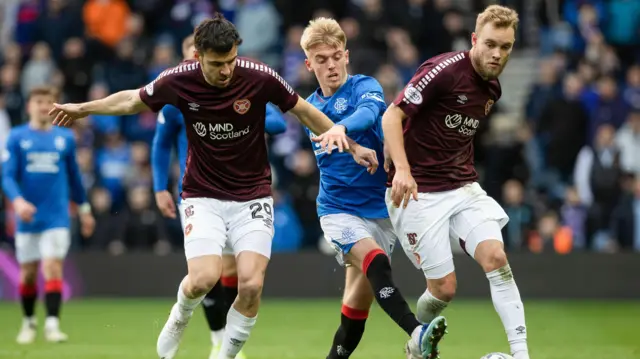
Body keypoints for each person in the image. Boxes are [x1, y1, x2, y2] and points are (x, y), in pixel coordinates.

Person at [48, 13, 378, 359]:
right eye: (217, 63)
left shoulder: (259, 76)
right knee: (202, 279)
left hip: (252, 195)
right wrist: (84, 109)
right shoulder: (178, 80)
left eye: (231, 61)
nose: (226, 71)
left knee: (250, 285)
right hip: (202, 196)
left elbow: (304, 112)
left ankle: (225, 355)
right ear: (197, 57)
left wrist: (352, 145)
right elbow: (131, 100)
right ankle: (181, 314)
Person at [382, 5, 531, 359]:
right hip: (417, 192)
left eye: (506, 47)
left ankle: (521, 354)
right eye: (491, 44)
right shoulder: (444, 70)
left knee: (497, 257)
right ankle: (417, 341)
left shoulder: (491, 88)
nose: (498, 54)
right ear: (475, 39)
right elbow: (393, 116)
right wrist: (402, 168)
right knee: (444, 289)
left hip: (462, 187)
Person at [300, 18, 447, 359]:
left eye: (336, 56)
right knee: (376, 261)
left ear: (347, 56)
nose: (331, 65)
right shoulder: (309, 110)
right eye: (321, 59)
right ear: (309, 64)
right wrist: (341, 134)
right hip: (338, 211)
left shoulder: (367, 85)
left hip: (382, 211)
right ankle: (417, 332)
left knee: (356, 305)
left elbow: (368, 113)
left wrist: (341, 128)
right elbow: (337, 135)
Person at [151, 34, 287, 359]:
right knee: (206, 275)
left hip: (242, 190)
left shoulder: (241, 88)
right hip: (198, 190)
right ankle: (215, 335)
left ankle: (223, 344)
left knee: (234, 272)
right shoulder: (177, 95)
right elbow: (160, 143)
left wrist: (240, 113)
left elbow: (279, 121)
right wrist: (159, 187)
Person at [2, 86, 95, 344]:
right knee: (28, 273)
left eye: (49, 102)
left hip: (57, 216)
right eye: (39, 101)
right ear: (29, 106)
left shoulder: (64, 138)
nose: (44, 107)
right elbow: (7, 175)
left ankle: (53, 324)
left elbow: (75, 179)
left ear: (54, 107)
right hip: (27, 217)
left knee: (53, 267)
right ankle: (29, 322)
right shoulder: (16, 137)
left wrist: (85, 210)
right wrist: (18, 202)